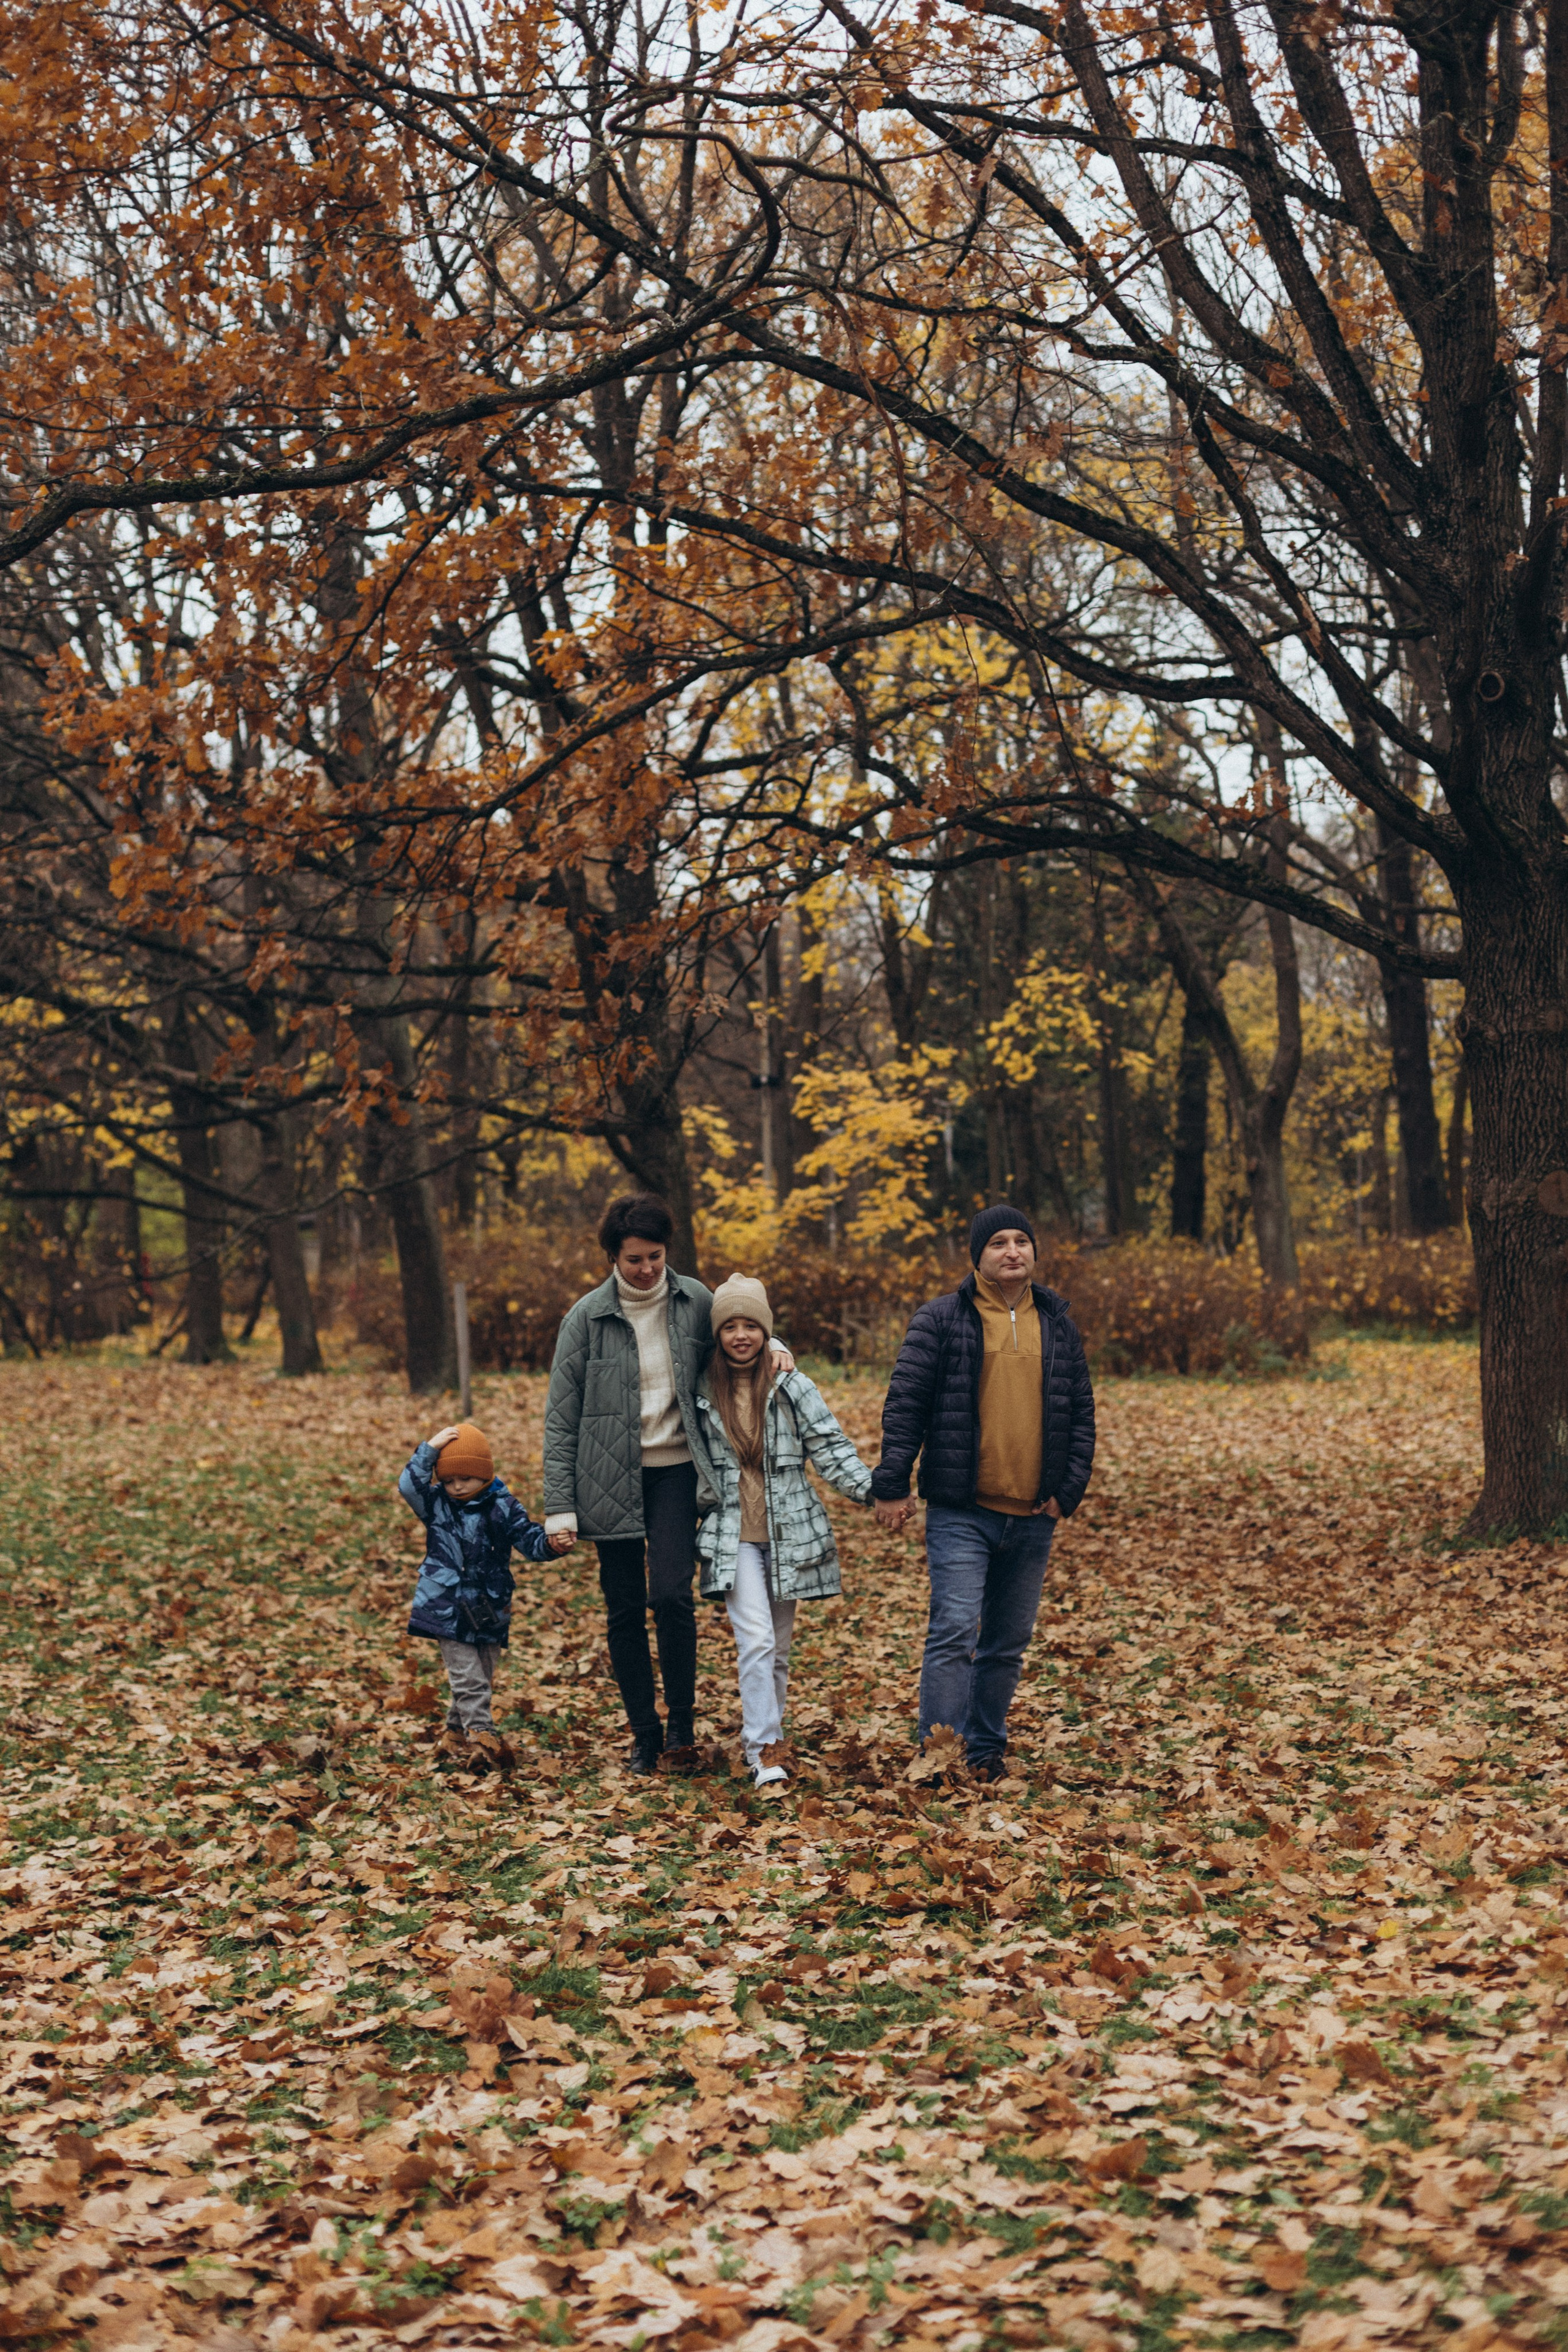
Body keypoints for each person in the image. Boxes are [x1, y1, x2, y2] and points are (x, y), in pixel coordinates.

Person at [543, 1194, 794, 1775]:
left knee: (673, 1596)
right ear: (613, 1257)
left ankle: (680, 1721)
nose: (647, 1270)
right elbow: (561, 1415)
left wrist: (774, 1344)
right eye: (634, 1260)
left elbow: (741, 1339)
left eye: (656, 1257)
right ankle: (644, 1733)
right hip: (606, 1478)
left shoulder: (694, 1302)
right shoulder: (586, 1318)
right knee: (625, 1608)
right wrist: (560, 1507)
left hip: (679, 1472)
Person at [871, 1204, 1096, 1781]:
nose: (1013, 1251)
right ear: (978, 1256)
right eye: (999, 1242)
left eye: (1023, 1240)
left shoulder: (1058, 1325)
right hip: (961, 1509)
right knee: (953, 1630)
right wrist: (892, 1484)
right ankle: (940, 1756)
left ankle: (985, 1750)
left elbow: (1081, 1416)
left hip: (1033, 1512)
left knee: (1007, 1641)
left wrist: (1066, 1492)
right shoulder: (942, 1320)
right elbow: (906, 1407)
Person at [694, 1275, 873, 1789]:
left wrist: (874, 1491)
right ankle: (761, 1753)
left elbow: (831, 1446)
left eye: (753, 1325)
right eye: (731, 1326)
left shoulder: (792, 1385)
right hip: (733, 1535)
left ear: (766, 1331)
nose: (742, 1335)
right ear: (718, 1333)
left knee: (777, 1649)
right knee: (754, 1639)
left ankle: (771, 1741)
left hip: (790, 1533)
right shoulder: (703, 1387)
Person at [399, 1418, 575, 1774]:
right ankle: (483, 1737)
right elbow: (408, 1486)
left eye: (464, 1478)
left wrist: (553, 1544)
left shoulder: (504, 1506)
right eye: (448, 1480)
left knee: (483, 1673)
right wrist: (429, 1451)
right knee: (468, 1677)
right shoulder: (436, 1504)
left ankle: (453, 1734)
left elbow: (530, 1540)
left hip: (489, 1607)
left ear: (484, 1474)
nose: (457, 1486)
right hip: (445, 1606)